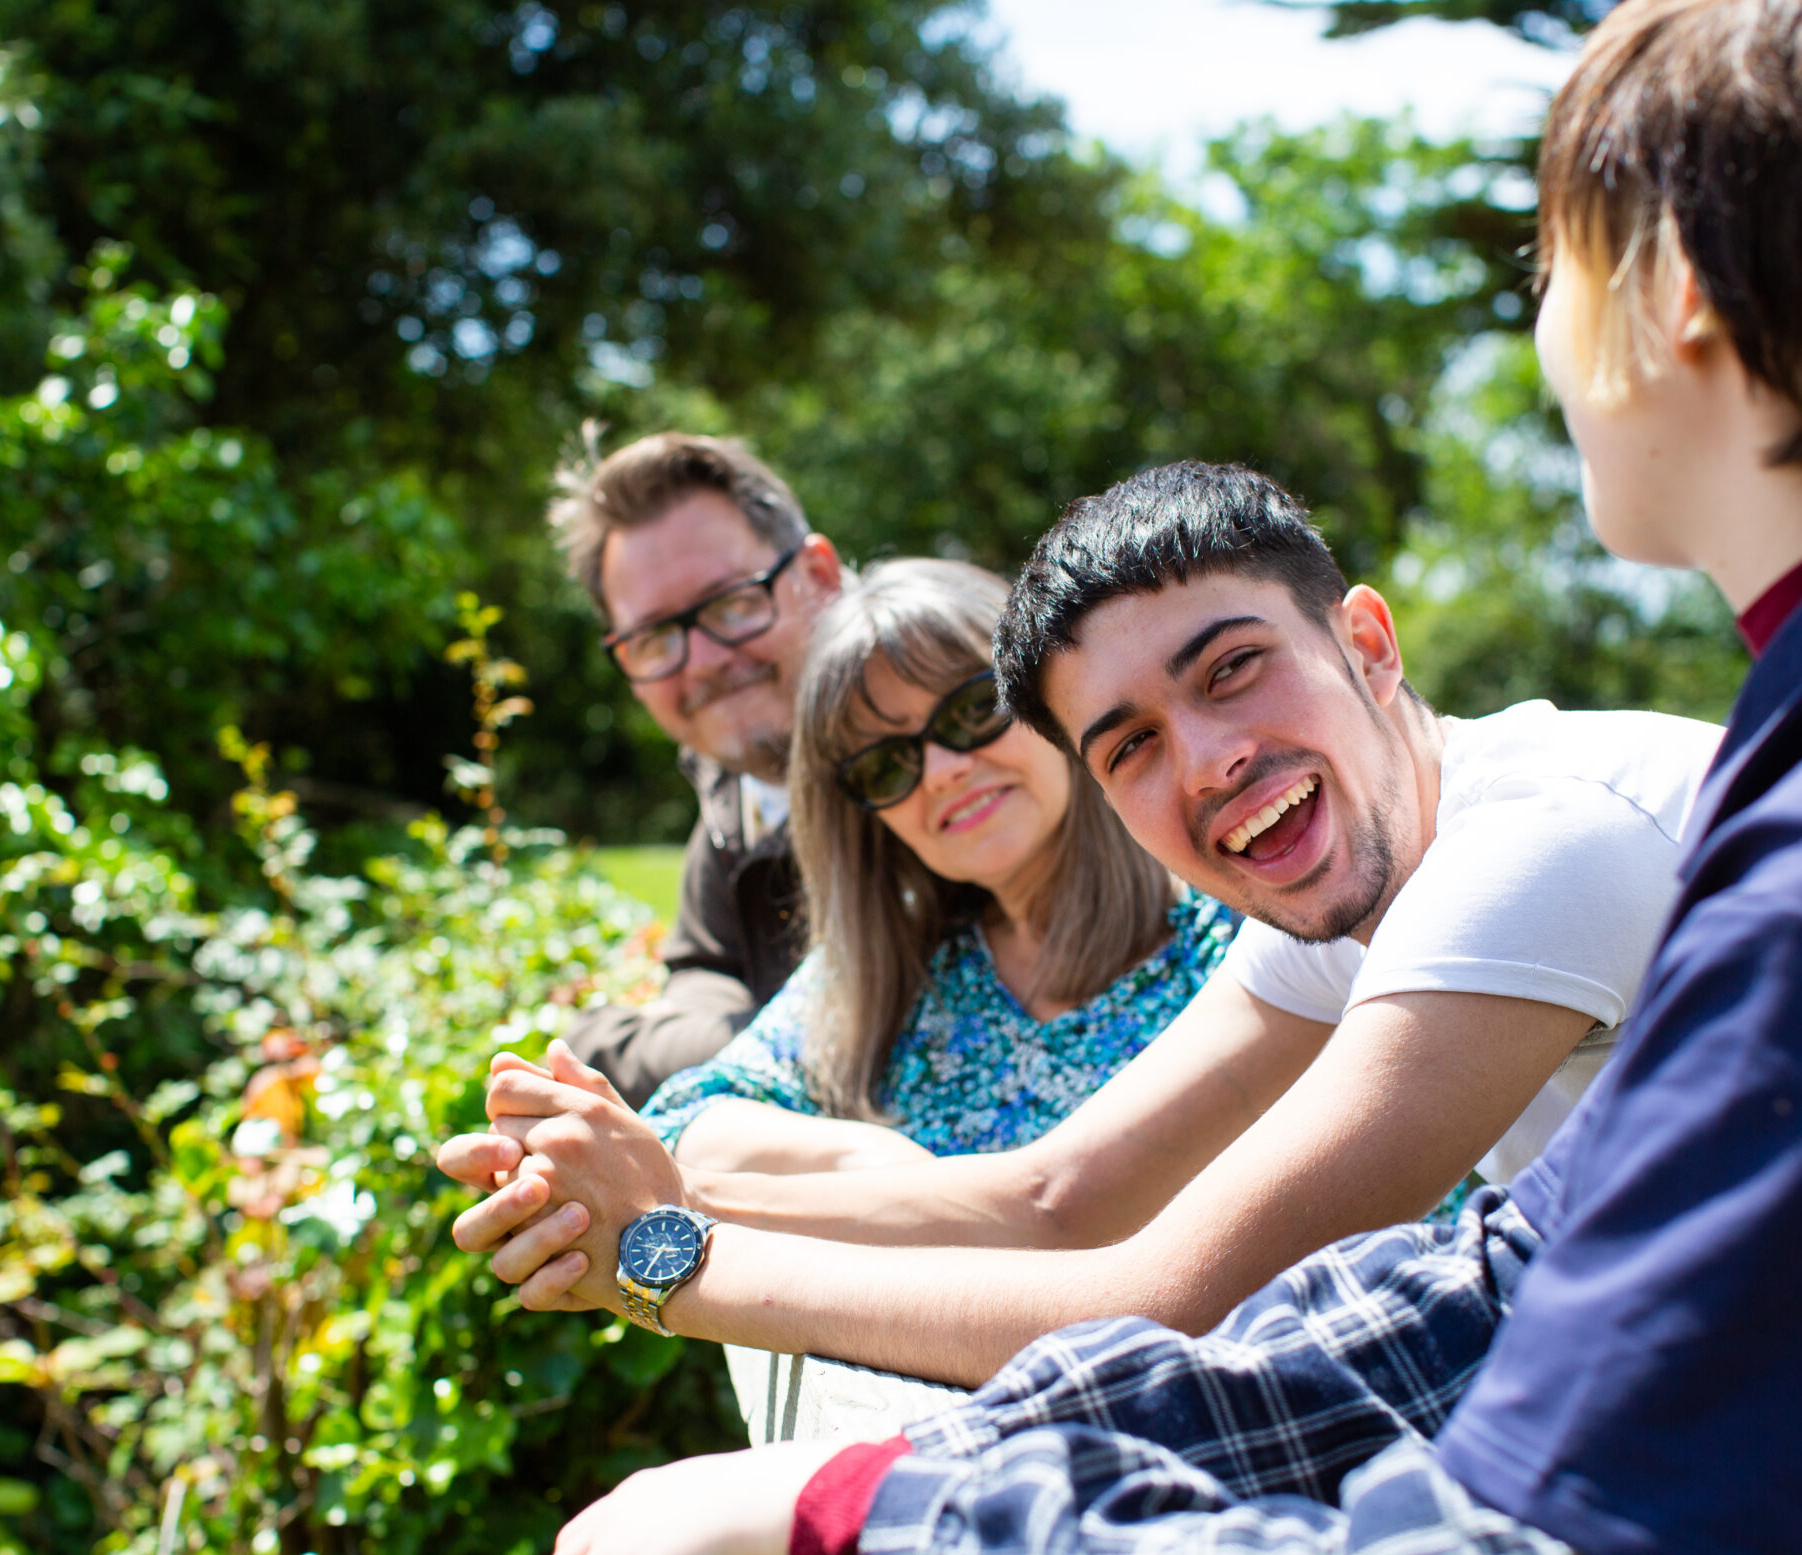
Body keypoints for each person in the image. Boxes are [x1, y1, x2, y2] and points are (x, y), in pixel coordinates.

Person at [518, 2, 1802, 1555]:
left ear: (1678, 298)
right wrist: (871, 1478)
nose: (1541, 330)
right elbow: (1474, 1298)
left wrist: (867, 1508)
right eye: (1126, 739)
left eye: (1552, 263)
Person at [441, 462, 1723, 1388]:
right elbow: (1056, 1199)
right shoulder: (1334, 902)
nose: (1210, 761)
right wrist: (654, 1191)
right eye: (1131, 744)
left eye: (1232, 669)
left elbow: (1163, 1302)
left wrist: (666, 1260)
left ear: (1368, 644)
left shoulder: (1535, 843)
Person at [634, 555, 1239, 1175]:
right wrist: (865, 1158)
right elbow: (682, 1121)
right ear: (868, 819)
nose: (943, 770)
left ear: (1052, 700)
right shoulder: (899, 972)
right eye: (886, 765)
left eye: (974, 710)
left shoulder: (1237, 926)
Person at [549, 430, 844, 1108]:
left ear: (820, 578)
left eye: (733, 602)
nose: (705, 661)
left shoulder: (933, 755)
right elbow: (706, 966)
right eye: (656, 636)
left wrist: (607, 1044)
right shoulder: (737, 781)